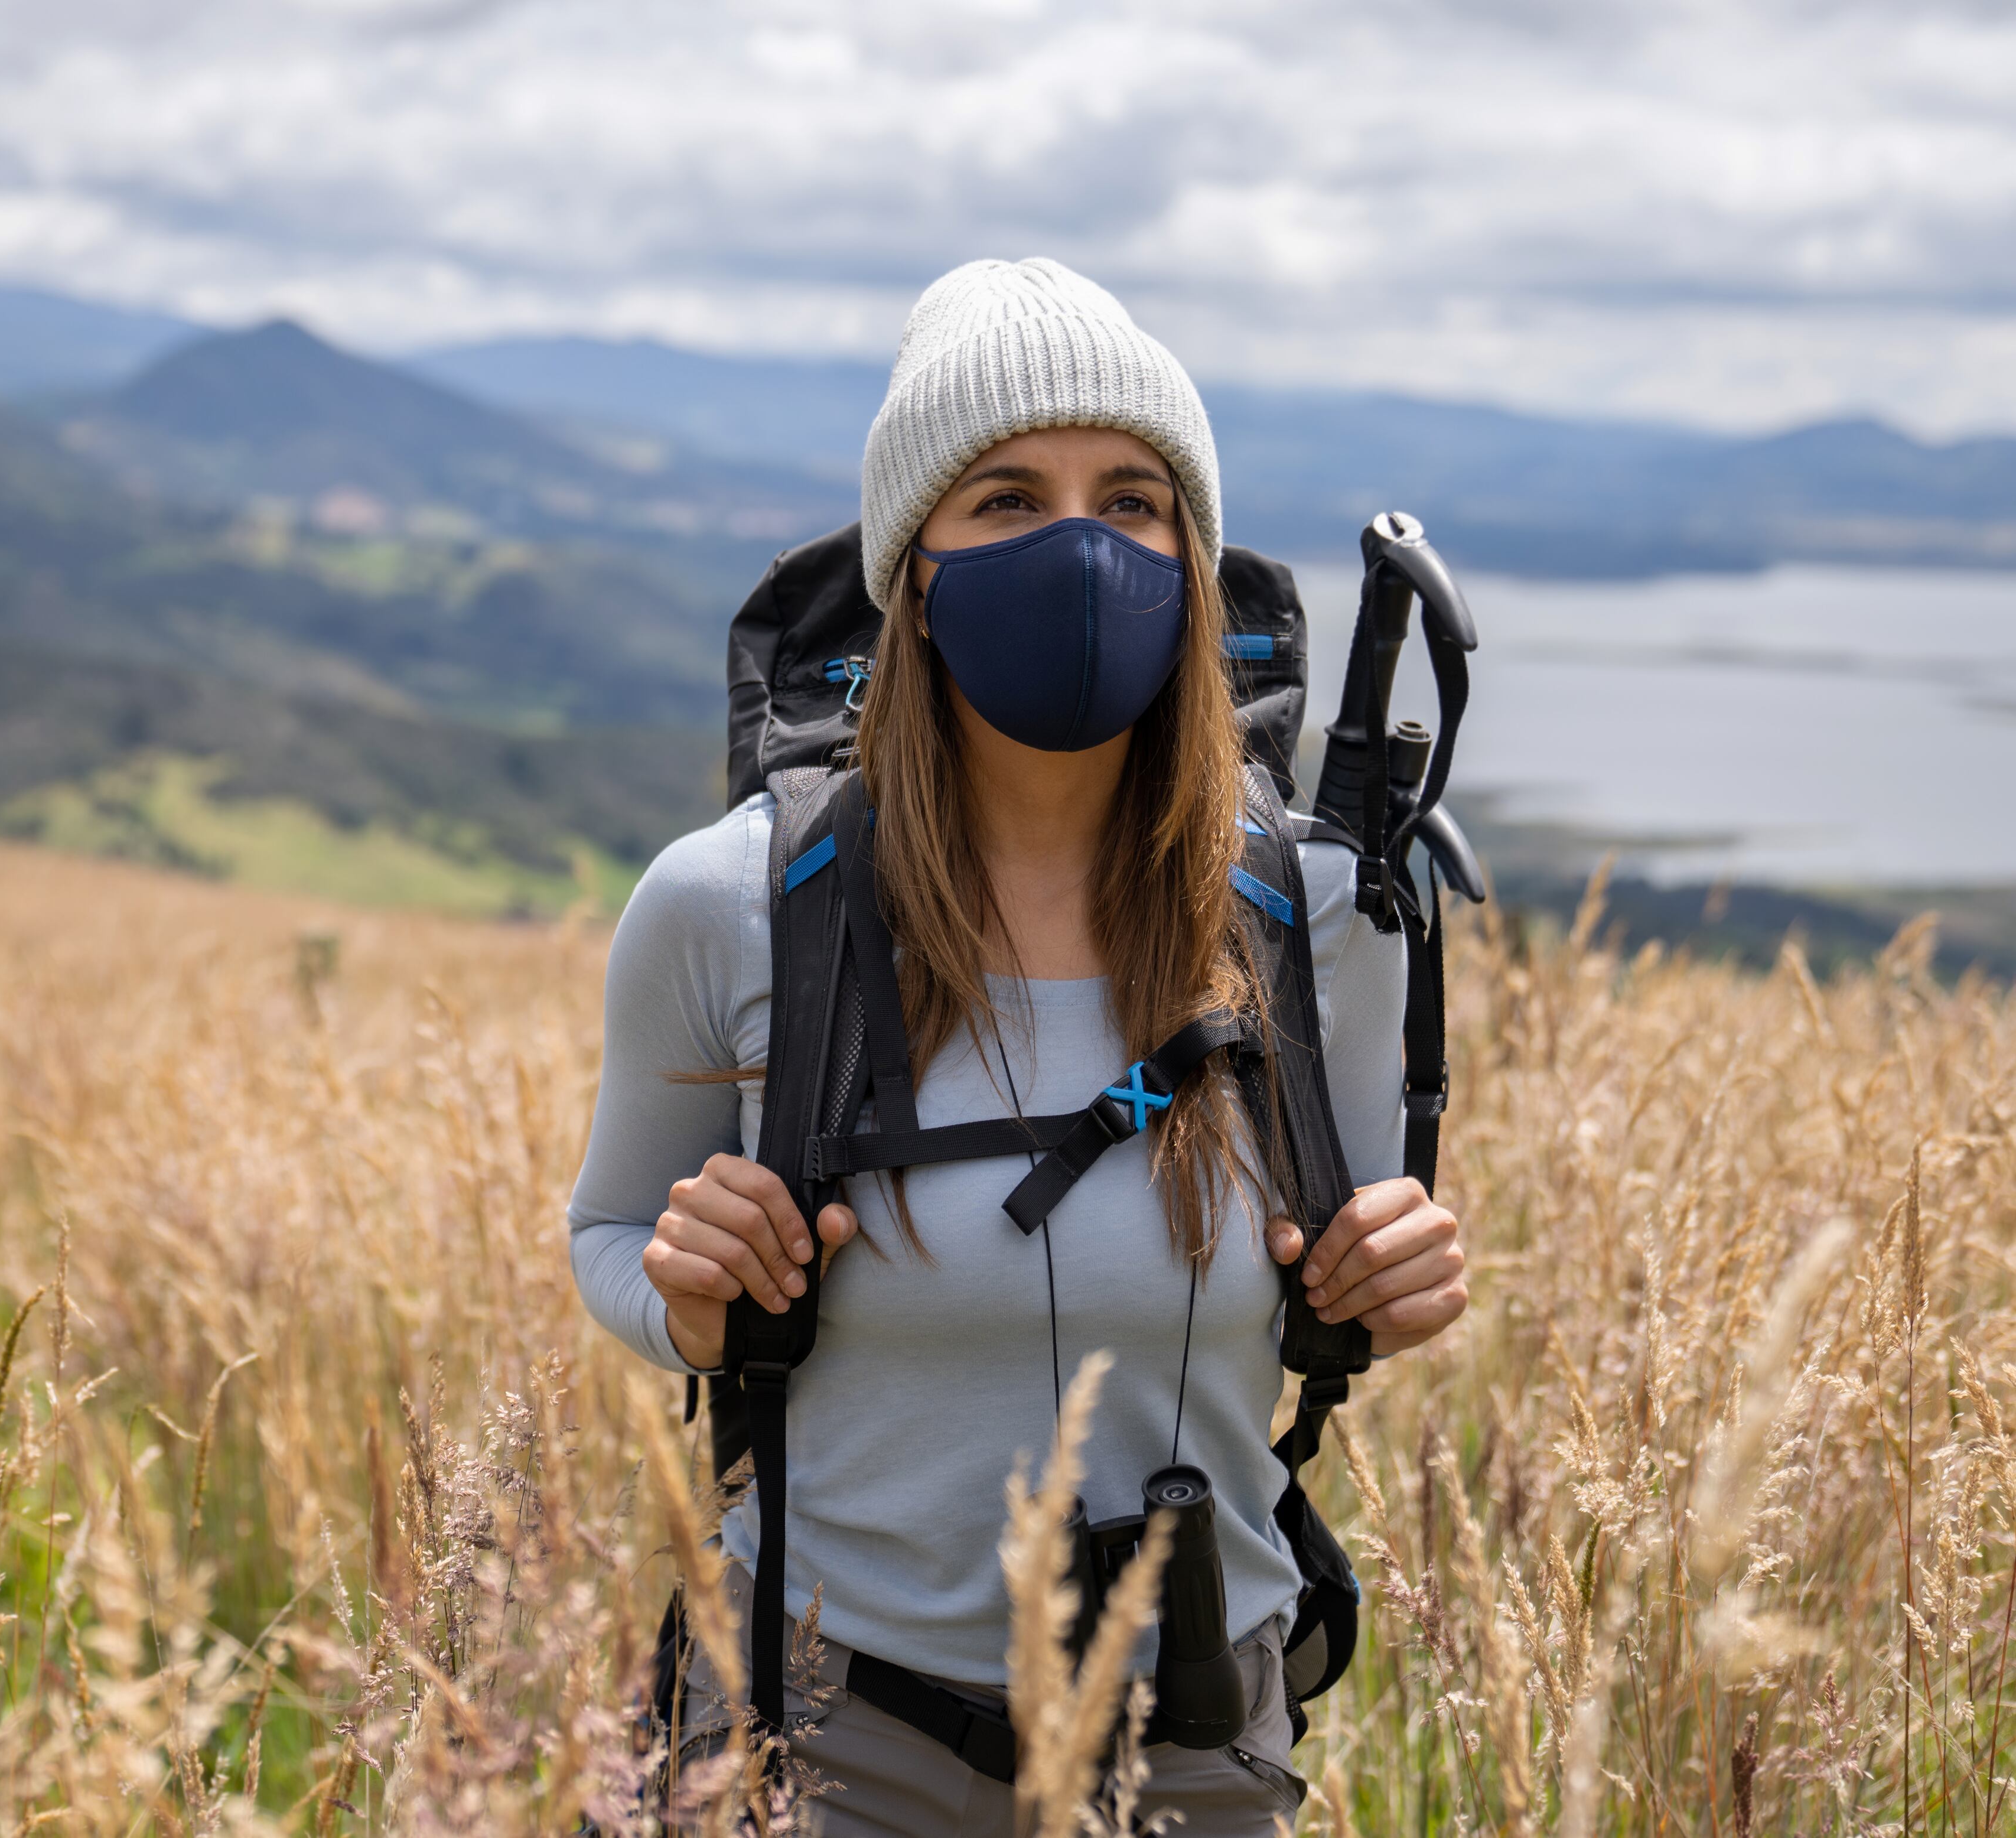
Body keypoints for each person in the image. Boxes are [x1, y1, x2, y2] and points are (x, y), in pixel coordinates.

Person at [566, 257, 1471, 1835]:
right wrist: (687, 1306)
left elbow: (1339, 1270)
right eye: (1004, 498)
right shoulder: (731, 905)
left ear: (1192, 561)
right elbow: (608, 1235)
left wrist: (1390, 1281)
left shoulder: (1322, 913)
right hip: (815, 1732)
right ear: (909, 566)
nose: (1079, 546)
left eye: (1133, 500)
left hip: (1193, 1735)